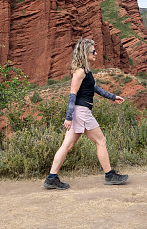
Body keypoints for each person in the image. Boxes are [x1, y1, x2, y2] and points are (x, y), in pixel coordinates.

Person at [44, 38, 129, 189]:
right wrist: (68, 117)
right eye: (93, 51)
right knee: (100, 141)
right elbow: (72, 95)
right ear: (85, 53)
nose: (96, 53)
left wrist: (113, 97)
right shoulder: (80, 72)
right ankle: (109, 175)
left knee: (67, 145)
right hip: (81, 112)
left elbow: (95, 89)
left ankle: (51, 178)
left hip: (80, 112)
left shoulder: (86, 71)